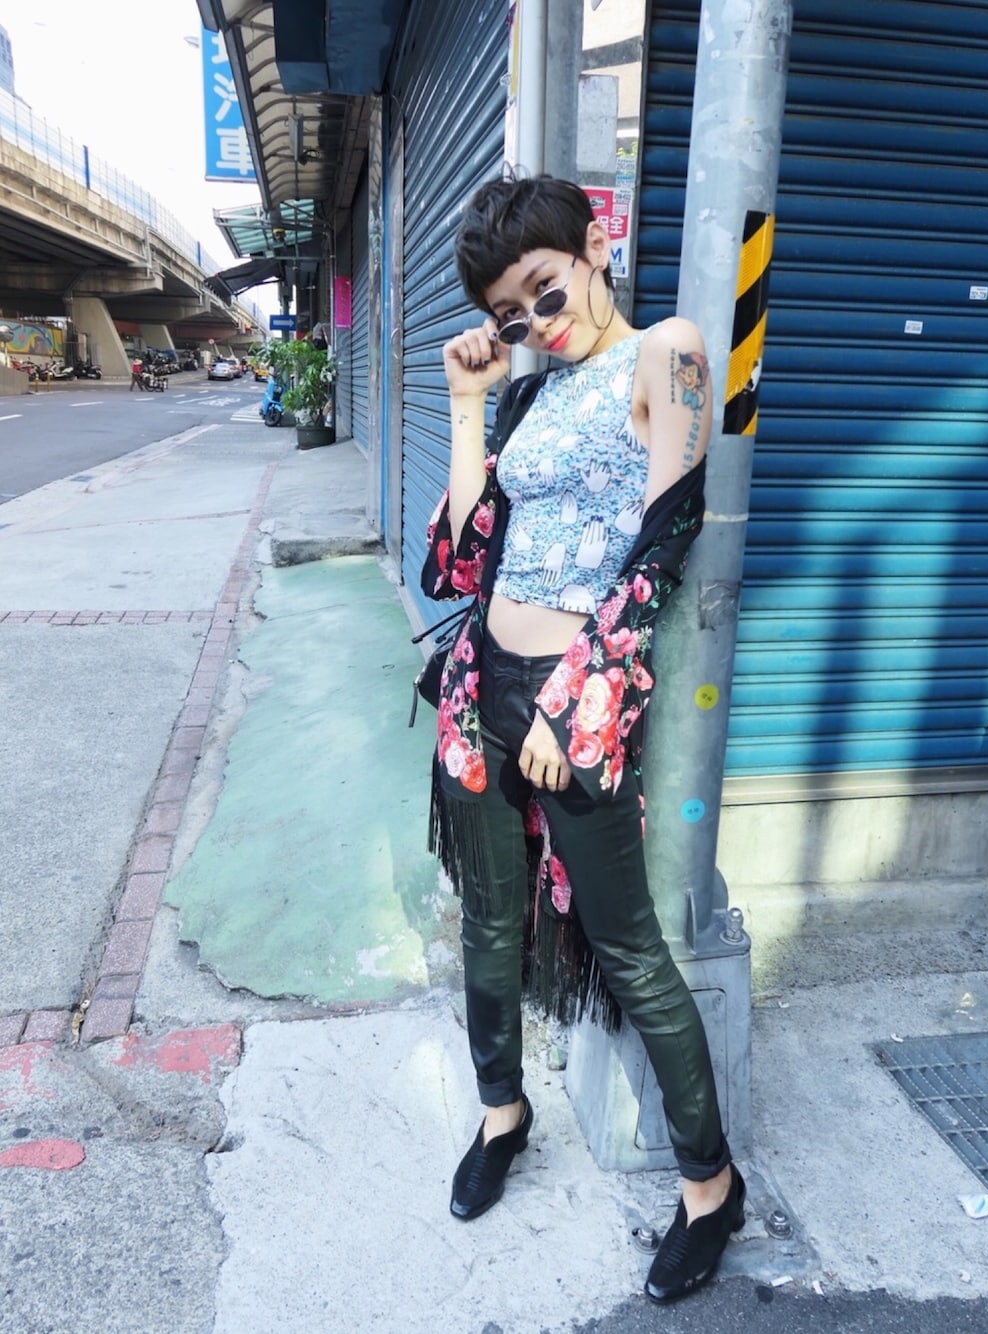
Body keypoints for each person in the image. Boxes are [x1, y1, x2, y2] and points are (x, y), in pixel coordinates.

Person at [419, 173, 744, 1305]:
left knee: (627, 946)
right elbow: (461, 561)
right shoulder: (526, 394)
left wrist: (576, 698)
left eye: (545, 291)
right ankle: (502, 1114)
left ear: (596, 246)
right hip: (482, 690)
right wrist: (470, 405)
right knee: (488, 922)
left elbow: (665, 543)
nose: (535, 323)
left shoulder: (667, 352)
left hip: (577, 699)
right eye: (509, 314)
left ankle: (710, 1186)